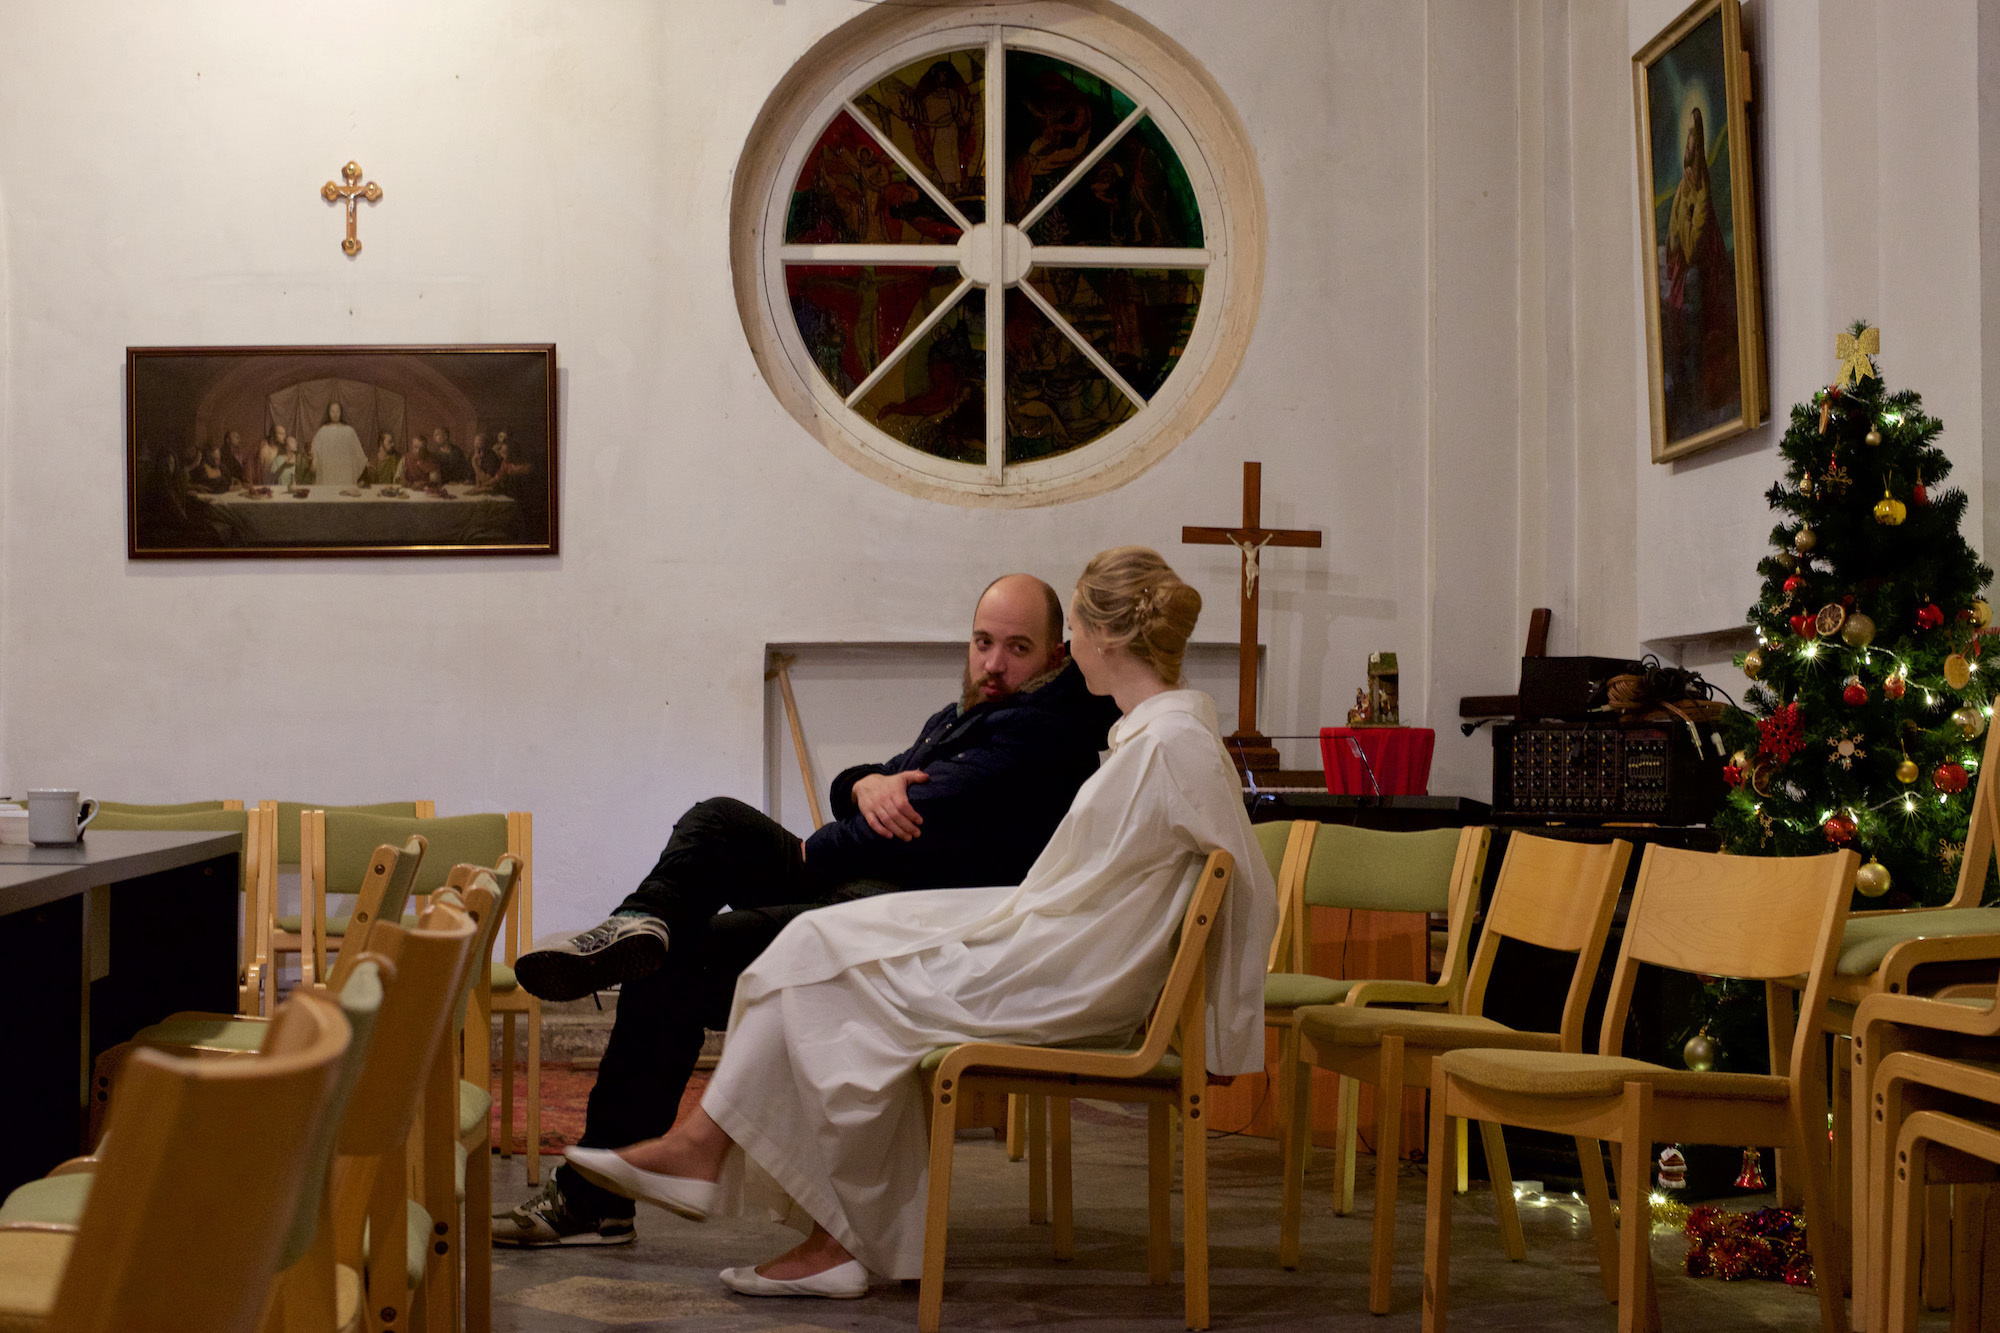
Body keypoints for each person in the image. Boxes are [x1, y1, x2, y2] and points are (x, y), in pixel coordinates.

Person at [563, 546, 1275, 1297]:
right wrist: (869, 791)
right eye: (986, 640)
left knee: (836, 979)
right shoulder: (1145, 736)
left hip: (1068, 970)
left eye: (1048, 639)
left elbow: (1245, 888)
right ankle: (738, 1173)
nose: (1036, 658)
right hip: (1050, 940)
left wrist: (1222, 1034)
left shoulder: (1172, 744)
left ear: (1095, 638)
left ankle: (784, 1206)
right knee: (809, 944)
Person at [496, 573, 1120, 1248]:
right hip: (856, 891)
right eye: (982, 642)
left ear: (1056, 654)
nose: (993, 663)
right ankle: (636, 920)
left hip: (897, 928)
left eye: (1016, 647)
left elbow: (920, 814)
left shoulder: (1043, 733)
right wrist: (869, 783)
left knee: (681, 958)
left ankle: (595, 1200)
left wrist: (818, 842)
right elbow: (859, 784)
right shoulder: (961, 716)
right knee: (716, 824)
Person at [309, 401, 369, 487]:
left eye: (337, 411)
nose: (335, 414)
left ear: (341, 413)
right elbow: (315, 448)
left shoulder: (349, 431)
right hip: (328, 470)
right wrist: (313, 461)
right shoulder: (323, 431)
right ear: (328, 413)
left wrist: (365, 461)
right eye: (332, 411)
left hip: (345, 471)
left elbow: (357, 451)